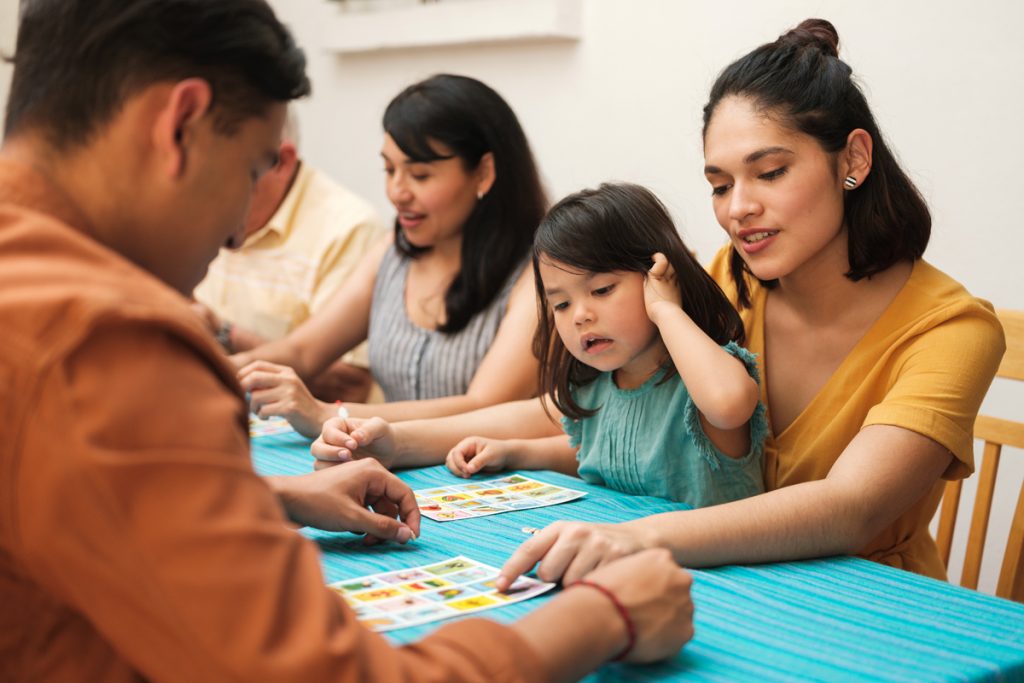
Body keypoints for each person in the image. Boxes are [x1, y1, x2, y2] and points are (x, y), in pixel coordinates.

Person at [0, 1, 694, 680]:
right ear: (179, 124)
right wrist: (603, 618)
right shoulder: (110, 343)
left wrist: (275, 498)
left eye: (421, 172)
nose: (240, 230)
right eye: (250, 171)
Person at [312, 19, 1005, 590]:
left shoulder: (951, 328)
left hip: (866, 603)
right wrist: (395, 440)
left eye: (770, 172)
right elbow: (585, 403)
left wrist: (630, 536)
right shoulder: (725, 280)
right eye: (719, 183)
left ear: (852, 158)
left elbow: (849, 509)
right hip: (719, 577)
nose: (739, 209)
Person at [231, 74, 546, 437]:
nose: (397, 192)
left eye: (420, 175)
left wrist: (329, 414)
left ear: (484, 173)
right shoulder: (391, 255)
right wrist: (203, 366)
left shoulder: (538, 276)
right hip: (391, 465)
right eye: (389, 169)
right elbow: (302, 351)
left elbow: (483, 406)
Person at [442, 183, 766, 508]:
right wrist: (515, 451)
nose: (580, 316)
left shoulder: (703, 383)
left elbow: (729, 405)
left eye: (601, 290)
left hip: (719, 557)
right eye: (562, 305)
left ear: (659, 276)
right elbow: (601, 456)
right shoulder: (598, 388)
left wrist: (666, 310)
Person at [192, 109, 384, 403]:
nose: (211, 188)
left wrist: (223, 332)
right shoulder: (196, 204)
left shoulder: (350, 229)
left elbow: (347, 384)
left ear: (282, 161)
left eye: (227, 170)